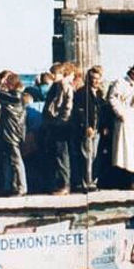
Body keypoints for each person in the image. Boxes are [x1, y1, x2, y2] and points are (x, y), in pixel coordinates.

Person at [108, 64, 134, 190]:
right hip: (125, 120)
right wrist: (121, 113)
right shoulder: (121, 83)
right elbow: (112, 98)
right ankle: (125, 181)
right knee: (123, 152)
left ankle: (131, 179)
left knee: (133, 153)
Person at [71, 66, 108, 192]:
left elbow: (101, 111)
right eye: (93, 78)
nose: (95, 81)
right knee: (87, 156)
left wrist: (103, 127)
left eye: (98, 79)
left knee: (94, 156)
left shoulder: (98, 94)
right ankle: (86, 182)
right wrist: (86, 126)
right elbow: (80, 112)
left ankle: (92, 180)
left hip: (97, 130)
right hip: (87, 130)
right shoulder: (82, 93)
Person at [42, 63, 76, 195]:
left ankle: (64, 184)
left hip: (61, 125)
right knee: (57, 155)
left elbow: (68, 105)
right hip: (55, 123)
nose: (52, 76)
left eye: (54, 74)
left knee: (62, 155)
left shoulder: (64, 87)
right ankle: (60, 183)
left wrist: (62, 120)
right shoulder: (56, 87)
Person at [0, 73, 27, 197]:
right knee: (11, 160)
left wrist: (0, 81)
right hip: (15, 131)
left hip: (12, 132)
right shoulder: (19, 97)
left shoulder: (14, 97)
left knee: (16, 160)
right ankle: (13, 186)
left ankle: (21, 187)